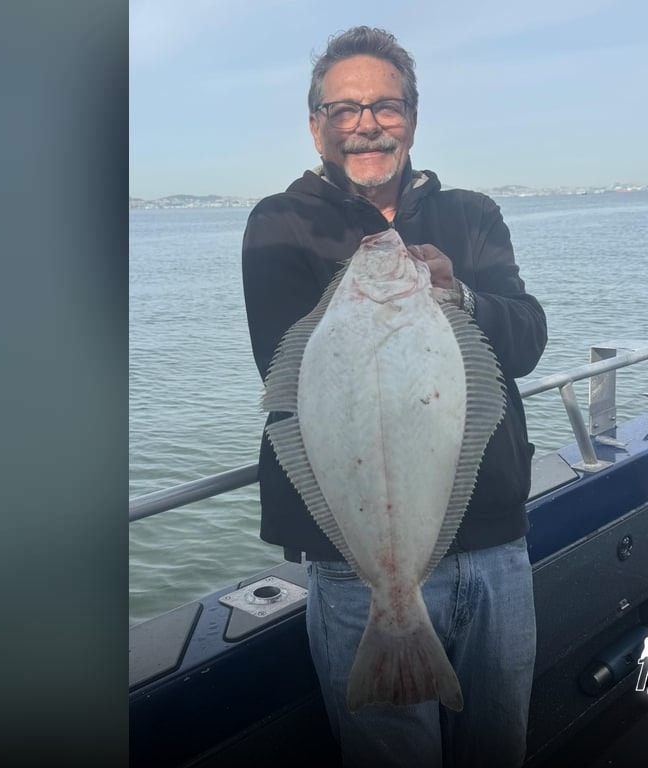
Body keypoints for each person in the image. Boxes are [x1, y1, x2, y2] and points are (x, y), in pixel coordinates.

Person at [241, 26, 547, 768]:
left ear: (412, 116)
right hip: (358, 567)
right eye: (343, 109)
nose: (366, 124)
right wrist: (377, 291)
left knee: (499, 750)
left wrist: (459, 295)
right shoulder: (280, 224)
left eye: (385, 106)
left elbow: (526, 339)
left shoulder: (471, 215)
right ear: (316, 125)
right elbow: (288, 370)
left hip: (495, 544)